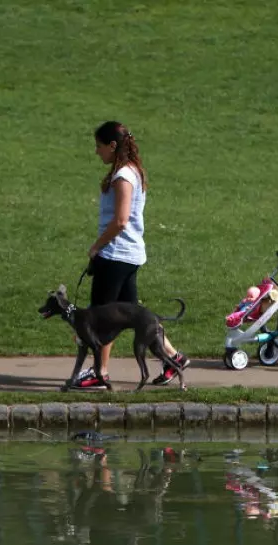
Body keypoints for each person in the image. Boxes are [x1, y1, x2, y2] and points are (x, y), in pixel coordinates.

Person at [71, 121, 189, 390]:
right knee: (135, 314)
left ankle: (100, 373)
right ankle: (174, 358)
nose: (96, 151)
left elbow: (121, 220)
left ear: (113, 146)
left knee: (102, 317)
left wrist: (96, 246)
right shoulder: (133, 170)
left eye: (99, 146)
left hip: (115, 255)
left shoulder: (123, 176)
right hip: (129, 255)